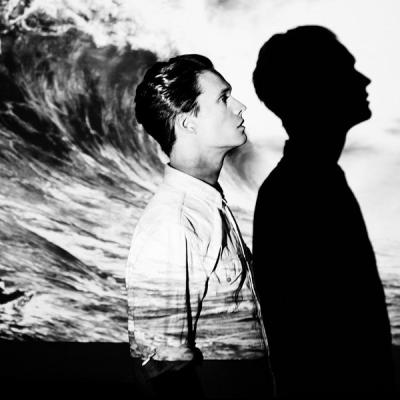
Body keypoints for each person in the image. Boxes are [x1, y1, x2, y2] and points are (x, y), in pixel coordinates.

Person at [252, 26, 394, 397]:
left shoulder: (311, 179)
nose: (364, 80)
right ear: (316, 88)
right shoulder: (302, 189)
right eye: (347, 70)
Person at [126, 54, 274, 398]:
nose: (240, 107)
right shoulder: (174, 223)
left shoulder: (207, 206)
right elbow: (162, 368)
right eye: (223, 98)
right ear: (187, 123)